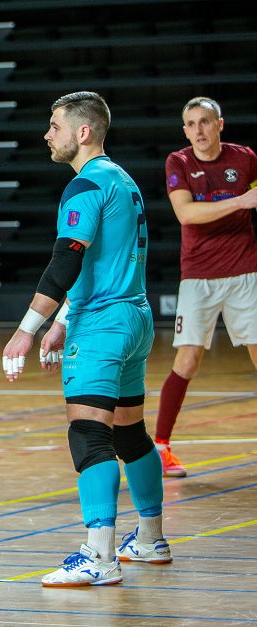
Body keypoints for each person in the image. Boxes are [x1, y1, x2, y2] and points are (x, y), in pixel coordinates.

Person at [2, 92, 170, 587]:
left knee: (88, 435)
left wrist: (26, 331)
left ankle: (99, 557)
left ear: (83, 132)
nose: (46, 134)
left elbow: (68, 259)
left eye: (54, 125)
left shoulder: (86, 185)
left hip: (104, 325)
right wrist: (62, 322)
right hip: (134, 318)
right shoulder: (124, 181)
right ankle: (150, 538)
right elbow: (104, 262)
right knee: (129, 433)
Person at [154, 97, 257, 477]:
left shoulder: (245, 158)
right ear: (185, 130)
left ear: (219, 124)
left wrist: (248, 198)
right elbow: (186, 213)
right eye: (191, 124)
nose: (198, 130)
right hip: (198, 277)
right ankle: (161, 447)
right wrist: (242, 201)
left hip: (247, 272)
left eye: (205, 122)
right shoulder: (178, 162)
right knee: (187, 361)